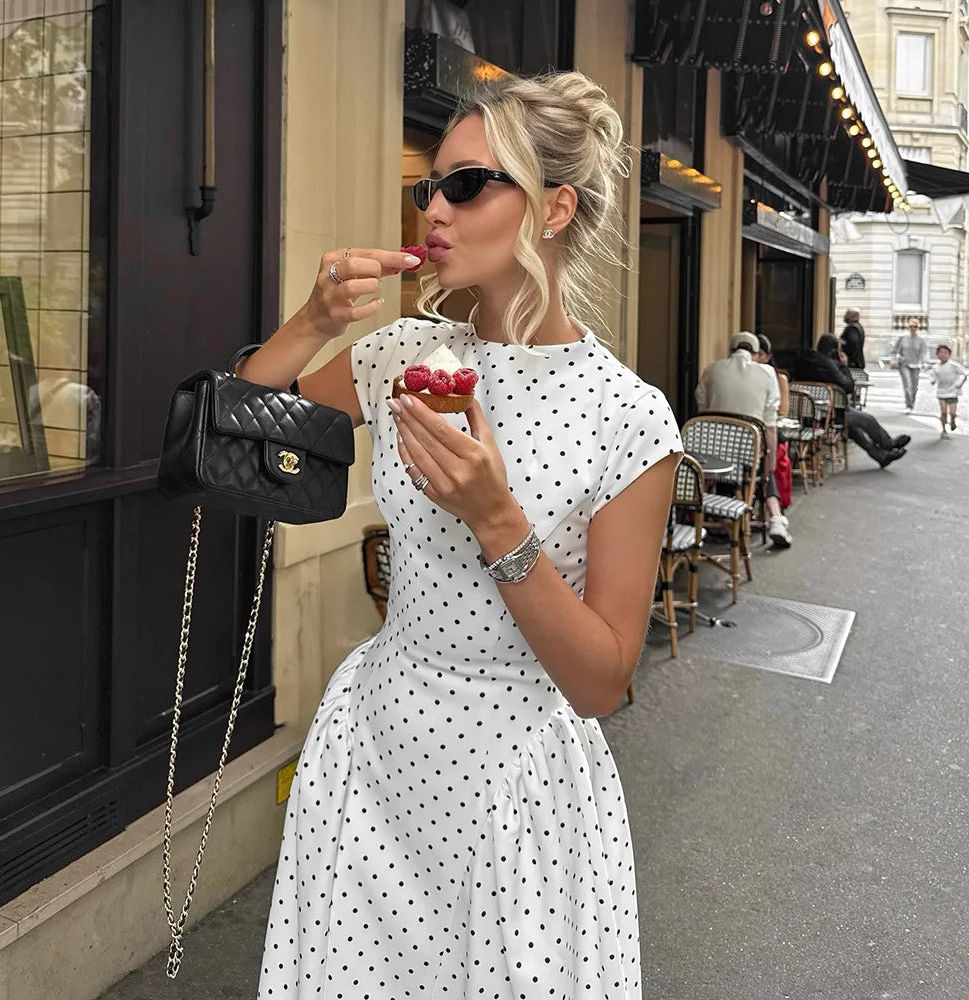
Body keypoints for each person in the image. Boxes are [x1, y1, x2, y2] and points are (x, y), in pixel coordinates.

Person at [242, 72, 682, 997]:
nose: (434, 209)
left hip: (514, 783)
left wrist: (498, 523)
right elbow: (239, 432)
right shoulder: (401, 355)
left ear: (554, 207)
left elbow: (603, 679)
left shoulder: (626, 419)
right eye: (428, 188)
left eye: (467, 185)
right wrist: (314, 320)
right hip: (377, 745)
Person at [695, 330, 792, 547]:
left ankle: (721, 519)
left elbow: (702, 406)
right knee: (761, 471)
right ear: (756, 353)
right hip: (747, 454)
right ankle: (775, 518)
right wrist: (770, 462)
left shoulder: (712, 369)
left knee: (737, 462)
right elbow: (770, 423)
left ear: (731, 351)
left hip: (711, 454)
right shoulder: (767, 374)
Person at [784, 334, 909, 468]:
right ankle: (888, 443)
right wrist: (844, 366)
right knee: (868, 419)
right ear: (833, 350)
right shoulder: (828, 364)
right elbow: (848, 386)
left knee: (853, 429)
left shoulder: (803, 361)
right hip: (830, 415)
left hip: (803, 414)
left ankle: (881, 456)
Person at [755, 333, 792, 510]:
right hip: (753, 432)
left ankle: (774, 501)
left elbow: (782, 411)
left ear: (768, 356)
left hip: (770, 427)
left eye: (760, 354)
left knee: (776, 451)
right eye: (754, 354)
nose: (756, 359)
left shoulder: (778, 378)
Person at [929, 343, 968, 438]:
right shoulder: (935, 367)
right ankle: (943, 430)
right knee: (943, 412)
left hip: (952, 392)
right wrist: (932, 381)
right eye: (940, 352)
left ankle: (953, 421)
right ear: (937, 354)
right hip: (941, 392)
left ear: (949, 354)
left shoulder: (954, 365)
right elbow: (932, 376)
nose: (943, 354)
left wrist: (959, 384)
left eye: (945, 353)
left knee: (953, 413)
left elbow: (964, 374)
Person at [892, 316, 927, 412]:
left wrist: (923, 362)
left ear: (918, 327)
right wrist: (897, 358)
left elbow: (923, 353)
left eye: (915, 326)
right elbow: (894, 350)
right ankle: (908, 405)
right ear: (908, 327)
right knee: (907, 385)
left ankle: (912, 403)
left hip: (915, 365)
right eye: (911, 326)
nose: (913, 328)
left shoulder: (921, 340)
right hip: (904, 364)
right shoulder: (903, 338)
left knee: (914, 387)